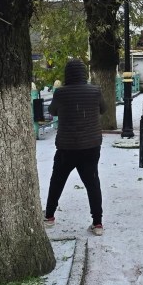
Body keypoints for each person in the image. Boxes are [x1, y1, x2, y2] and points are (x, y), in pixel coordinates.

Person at [44, 59, 107, 235]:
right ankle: (98, 223)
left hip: (67, 147)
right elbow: (103, 109)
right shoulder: (95, 91)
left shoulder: (60, 93)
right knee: (93, 183)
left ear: (67, 75)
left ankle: (49, 217)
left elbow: (52, 111)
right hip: (91, 146)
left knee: (57, 181)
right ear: (84, 74)